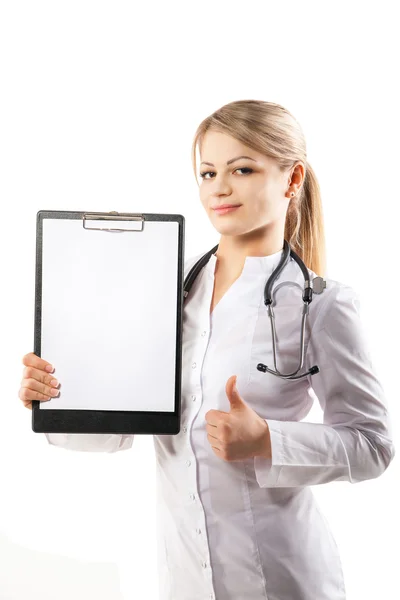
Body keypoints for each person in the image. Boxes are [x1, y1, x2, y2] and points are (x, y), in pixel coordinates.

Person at [18, 99, 396, 600]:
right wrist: (56, 398)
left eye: (242, 169)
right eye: (207, 171)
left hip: (285, 578)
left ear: (292, 179)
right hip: (184, 578)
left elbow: (373, 445)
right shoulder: (164, 292)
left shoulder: (323, 306)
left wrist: (267, 440)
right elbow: (118, 433)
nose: (219, 187)